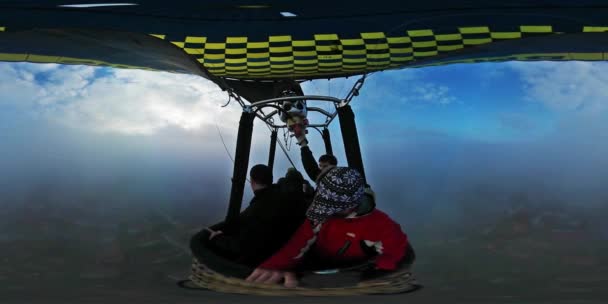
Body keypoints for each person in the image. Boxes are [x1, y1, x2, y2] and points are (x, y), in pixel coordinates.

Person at [245, 167, 415, 288]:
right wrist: (274, 265)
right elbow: (299, 243)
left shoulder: (381, 226)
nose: (322, 212)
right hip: (319, 261)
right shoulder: (319, 216)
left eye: (329, 207)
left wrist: (362, 277)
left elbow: (397, 255)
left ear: (351, 205)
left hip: (350, 269)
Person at [190, 164, 308, 268]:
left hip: (266, 256)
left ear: (251, 181)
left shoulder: (258, 209)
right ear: (271, 180)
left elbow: (243, 246)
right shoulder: (281, 195)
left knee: (201, 243)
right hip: (287, 244)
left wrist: (217, 238)